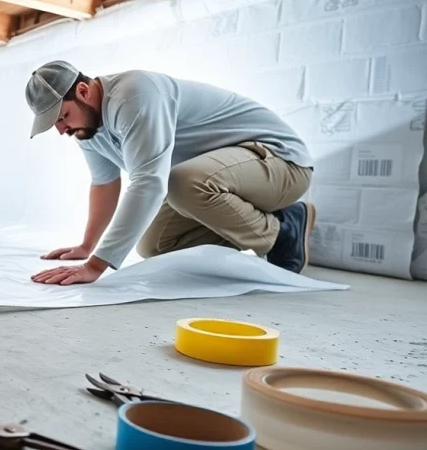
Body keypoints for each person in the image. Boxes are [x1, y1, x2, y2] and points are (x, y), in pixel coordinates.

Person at [23, 61, 316, 286]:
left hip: (282, 163)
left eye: (62, 117)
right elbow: (104, 183)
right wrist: (87, 247)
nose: (61, 130)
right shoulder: (88, 129)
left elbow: (149, 181)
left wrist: (96, 266)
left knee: (180, 182)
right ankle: (266, 221)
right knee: (155, 244)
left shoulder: (133, 94)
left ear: (84, 92)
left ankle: (283, 231)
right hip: (231, 179)